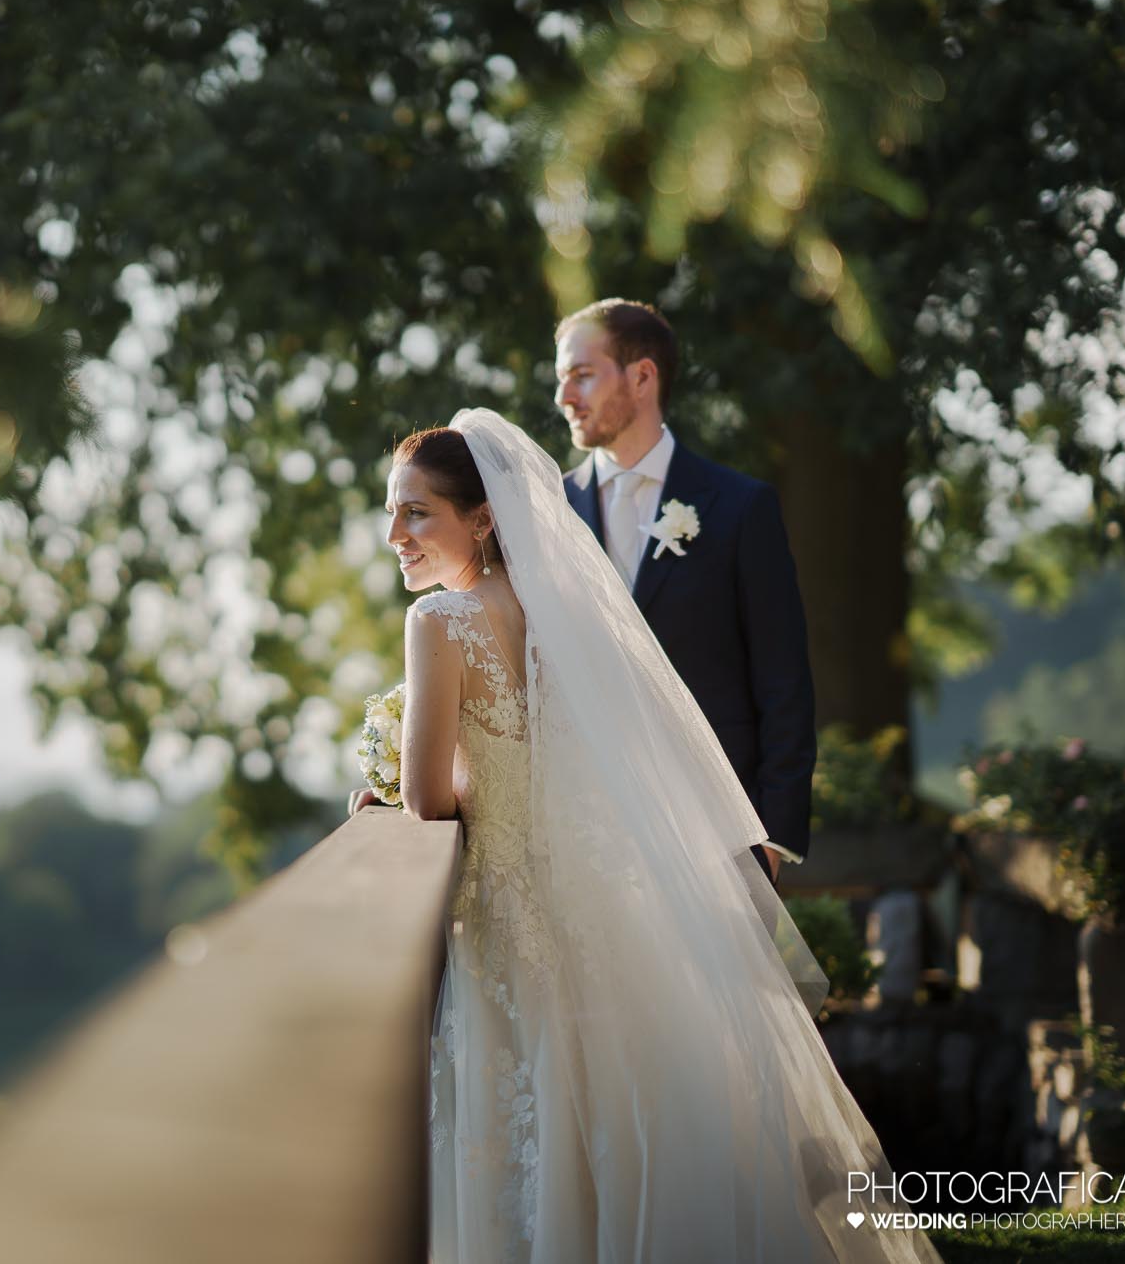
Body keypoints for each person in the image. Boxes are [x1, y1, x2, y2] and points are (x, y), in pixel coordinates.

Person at [351, 412, 936, 1262]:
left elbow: (432, 805)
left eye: (416, 512)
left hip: (503, 924)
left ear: (481, 518)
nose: (394, 534)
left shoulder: (440, 623)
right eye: (393, 511)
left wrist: (391, 777)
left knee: (526, 1128)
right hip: (590, 908)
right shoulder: (556, 616)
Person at [555, 298, 816, 888]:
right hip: (583, 834)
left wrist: (772, 839)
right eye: (561, 378)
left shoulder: (741, 507)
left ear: (642, 376)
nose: (564, 397)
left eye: (582, 374)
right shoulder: (548, 513)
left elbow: (784, 683)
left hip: (719, 835)